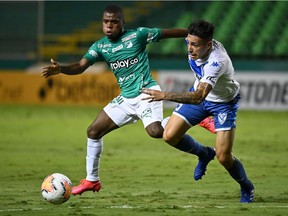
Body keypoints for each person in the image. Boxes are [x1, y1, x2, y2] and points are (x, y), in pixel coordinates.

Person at [41, 5, 215, 196]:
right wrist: (61, 69)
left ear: (122, 23)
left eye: (114, 22)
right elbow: (81, 66)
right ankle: (92, 180)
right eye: (106, 22)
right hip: (126, 98)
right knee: (93, 131)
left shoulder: (138, 35)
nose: (109, 26)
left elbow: (167, 33)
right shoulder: (100, 46)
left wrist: (191, 36)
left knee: (155, 131)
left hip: (146, 92)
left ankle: (195, 127)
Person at [141, 19, 254, 203]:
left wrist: (164, 95)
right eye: (188, 42)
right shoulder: (197, 46)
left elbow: (199, 96)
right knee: (169, 135)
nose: (190, 48)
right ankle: (203, 153)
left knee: (224, 157)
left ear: (208, 44)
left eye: (195, 45)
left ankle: (246, 186)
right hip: (200, 96)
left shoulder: (217, 62)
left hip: (222, 103)